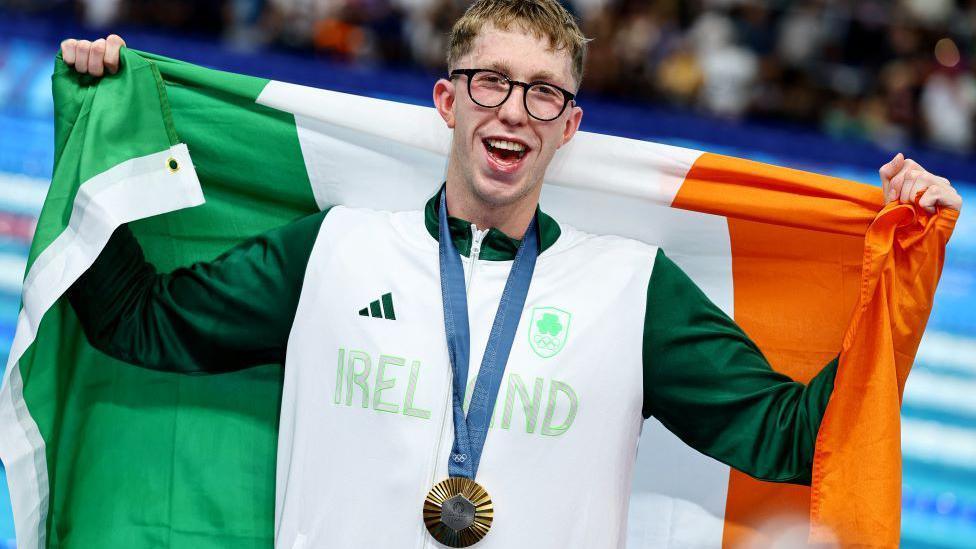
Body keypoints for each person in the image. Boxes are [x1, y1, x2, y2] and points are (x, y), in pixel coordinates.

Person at [60, 1, 962, 547]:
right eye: (491, 81)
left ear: (568, 127)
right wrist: (98, 126)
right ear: (448, 101)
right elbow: (140, 322)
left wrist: (905, 274)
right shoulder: (334, 247)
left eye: (543, 92)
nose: (514, 110)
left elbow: (796, 437)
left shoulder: (632, 288)